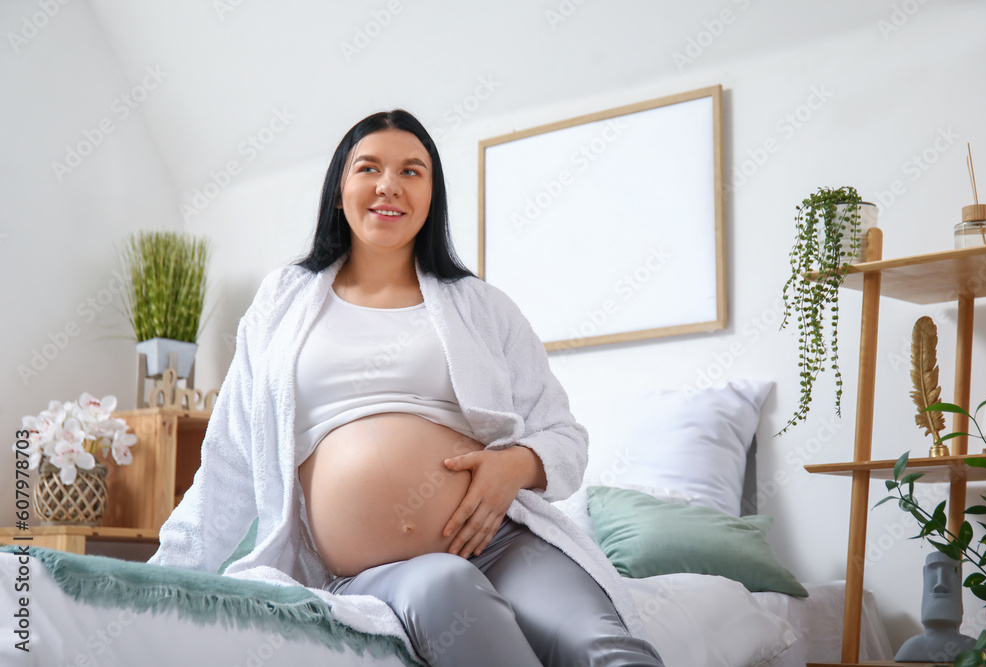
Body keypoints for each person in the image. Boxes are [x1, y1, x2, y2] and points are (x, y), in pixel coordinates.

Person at [150, 109, 663, 667]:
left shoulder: (481, 306)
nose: (389, 184)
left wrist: (513, 466)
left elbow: (564, 438)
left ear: (432, 194)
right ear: (339, 188)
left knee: (603, 650)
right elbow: (228, 464)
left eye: (412, 171)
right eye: (368, 167)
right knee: (445, 585)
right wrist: (144, 588)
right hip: (378, 572)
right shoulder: (283, 301)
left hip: (504, 544)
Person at [895, 552, 976, 662]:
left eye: (949, 573)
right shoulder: (910, 648)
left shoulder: (973, 648)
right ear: (924, 577)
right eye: (932, 574)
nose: (940, 584)